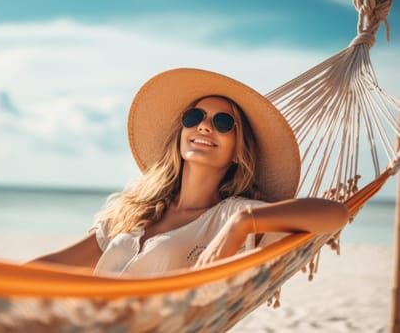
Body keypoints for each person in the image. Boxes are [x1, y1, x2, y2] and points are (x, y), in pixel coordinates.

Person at [31, 68, 349, 277]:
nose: (204, 125)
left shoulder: (233, 215)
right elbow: (55, 266)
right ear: (182, 132)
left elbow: (335, 215)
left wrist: (243, 224)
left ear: (239, 151)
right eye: (195, 116)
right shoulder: (135, 209)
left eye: (223, 123)